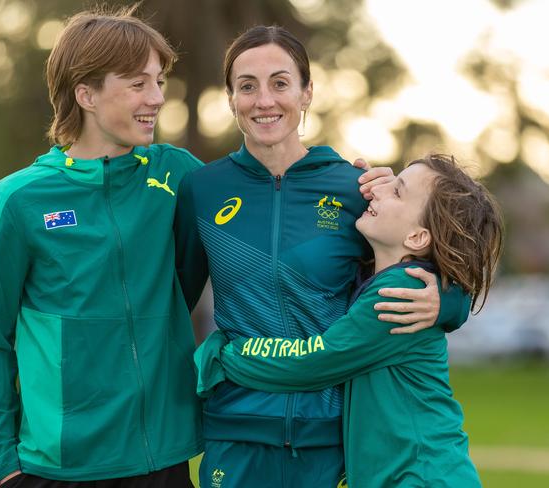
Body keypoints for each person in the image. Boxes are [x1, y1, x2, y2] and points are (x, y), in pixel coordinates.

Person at [174, 26, 469, 488]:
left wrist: (450, 304)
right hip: (237, 432)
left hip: (330, 440)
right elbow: (174, 298)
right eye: (247, 86)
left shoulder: (356, 190)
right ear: (230, 98)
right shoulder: (202, 189)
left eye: (280, 83)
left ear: (307, 92)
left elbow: (423, 261)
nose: (264, 100)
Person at [0, 6, 206, 488]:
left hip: (162, 461)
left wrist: (362, 190)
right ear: (86, 94)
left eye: (159, 81)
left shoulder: (178, 174)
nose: (157, 97)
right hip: (57, 468)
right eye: (138, 83)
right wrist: (2, 465)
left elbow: (265, 201)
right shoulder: (20, 199)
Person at [196, 154, 504, 487]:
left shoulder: (399, 294)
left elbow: (314, 360)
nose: (377, 192)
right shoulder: (389, 281)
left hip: (423, 477)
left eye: (397, 191)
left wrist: (226, 355)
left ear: (416, 238)